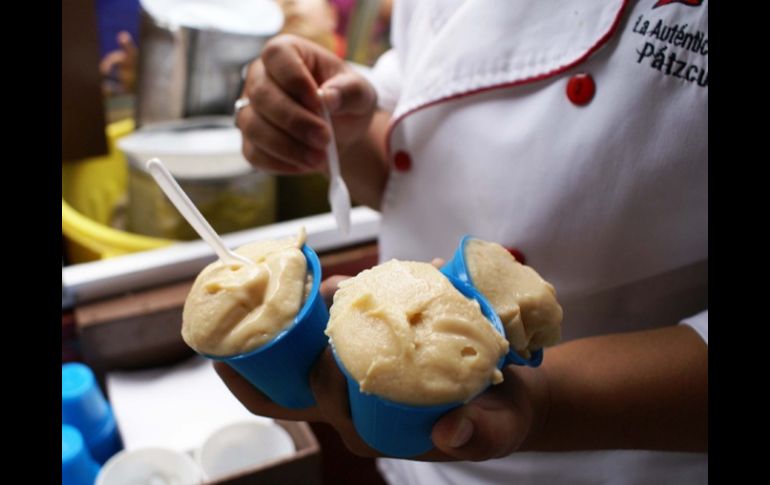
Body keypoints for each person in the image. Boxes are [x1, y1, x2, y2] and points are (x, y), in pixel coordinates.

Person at [222, 0, 708, 483]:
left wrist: (544, 402)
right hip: (406, 438)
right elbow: (412, 163)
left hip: (616, 460)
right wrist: (337, 135)